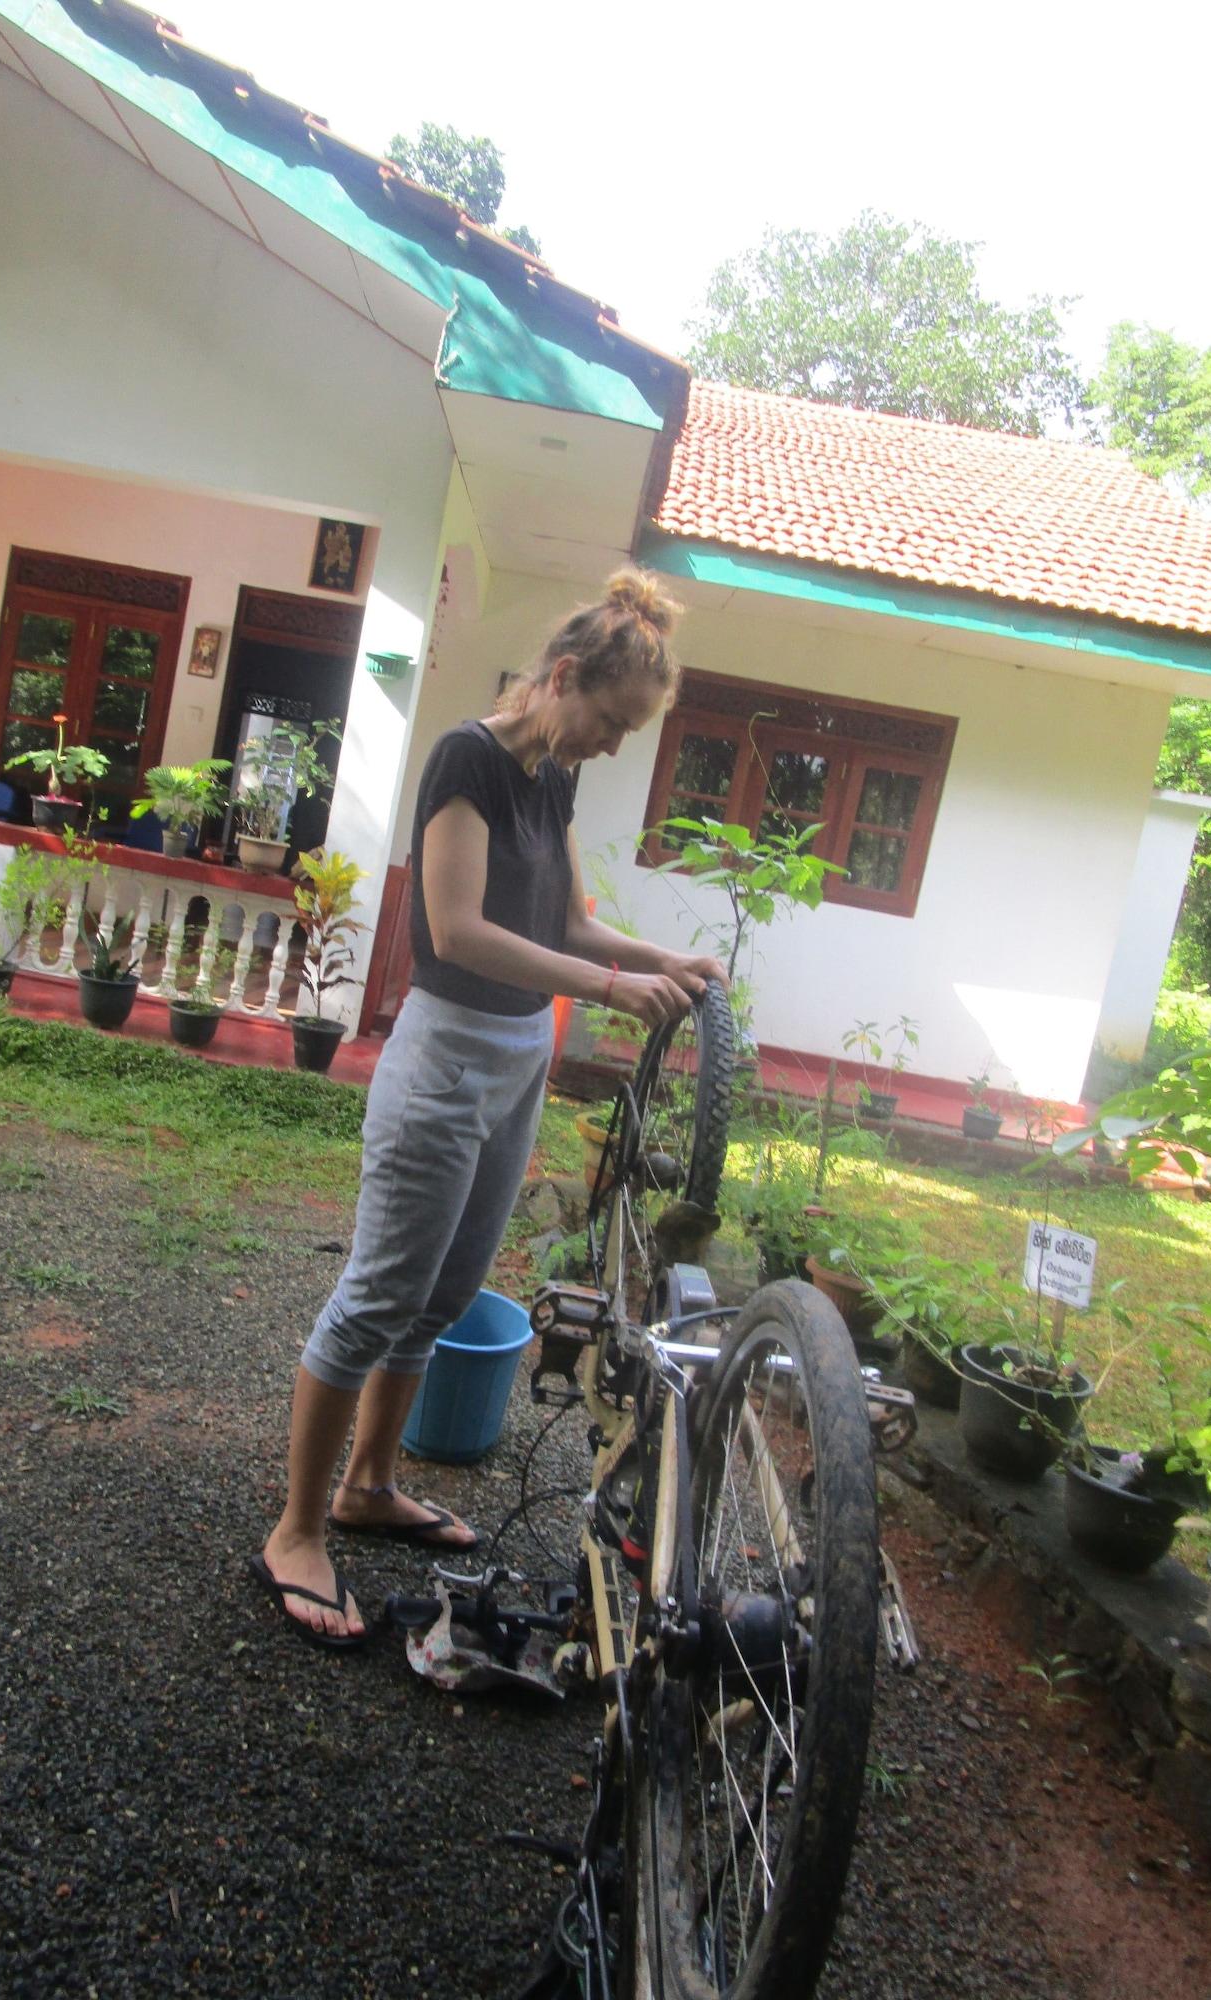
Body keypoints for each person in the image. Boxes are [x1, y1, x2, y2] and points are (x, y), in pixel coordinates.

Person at [251, 569, 726, 1647]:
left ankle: (370, 1483)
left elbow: (570, 921)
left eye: (627, 732)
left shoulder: (552, 779)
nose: (612, 746)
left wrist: (663, 960)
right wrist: (606, 987)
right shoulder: (466, 758)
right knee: (378, 1294)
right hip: (445, 1056)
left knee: (446, 1292)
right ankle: (295, 1531)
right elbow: (457, 929)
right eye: (610, 720)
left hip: (516, 1059)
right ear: (562, 677)